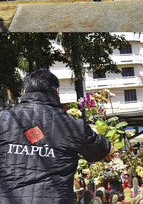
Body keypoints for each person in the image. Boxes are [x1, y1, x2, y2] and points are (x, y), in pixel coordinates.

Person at [0, 69, 111, 203]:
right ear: (57, 92)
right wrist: (99, 136)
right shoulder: (73, 125)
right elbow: (100, 151)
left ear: (24, 92)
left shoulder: (3, 119)